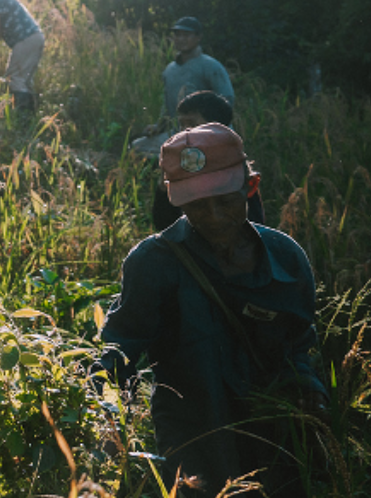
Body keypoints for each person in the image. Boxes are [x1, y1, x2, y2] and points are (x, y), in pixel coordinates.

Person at [99, 123, 325, 497]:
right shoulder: (153, 263)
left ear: (250, 188)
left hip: (275, 442)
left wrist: (310, 390)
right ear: (178, 202)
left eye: (226, 201)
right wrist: (99, 414)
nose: (214, 215)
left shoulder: (286, 258)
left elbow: (301, 345)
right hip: (193, 444)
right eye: (198, 206)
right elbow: (118, 350)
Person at [148, 90, 265, 231]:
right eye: (181, 124)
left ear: (216, 126)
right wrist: (164, 186)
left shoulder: (235, 168)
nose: (184, 131)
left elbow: (254, 225)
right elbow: (164, 225)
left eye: (191, 123)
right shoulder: (184, 165)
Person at [131, 17, 237, 158]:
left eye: (186, 35)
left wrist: (208, 127)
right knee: (136, 146)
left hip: (208, 134)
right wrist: (159, 126)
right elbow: (168, 106)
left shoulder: (211, 66)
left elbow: (227, 99)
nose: (181, 39)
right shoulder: (170, 70)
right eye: (178, 35)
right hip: (178, 131)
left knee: (182, 156)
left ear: (198, 37)